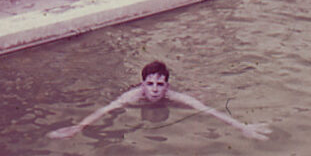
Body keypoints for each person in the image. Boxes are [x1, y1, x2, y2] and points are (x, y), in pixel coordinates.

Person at [49, 61, 271, 140]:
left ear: (167, 86)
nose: (155, 90)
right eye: (150, 84)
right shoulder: (132, 96)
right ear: (143, 84)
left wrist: (242, 126)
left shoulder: (174, 96)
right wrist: (78, 127)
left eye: (160, 85)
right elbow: (106, 110)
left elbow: (206, 110)